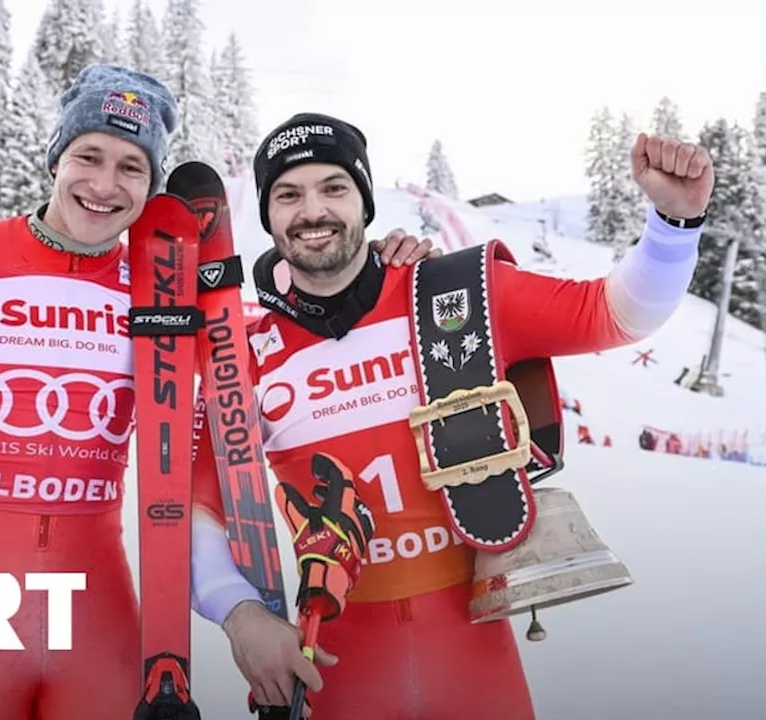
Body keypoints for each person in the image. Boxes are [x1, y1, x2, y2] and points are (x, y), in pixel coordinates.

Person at [0, 65, 433, 719]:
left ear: (151, 187)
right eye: (90, 155)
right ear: (55, 157)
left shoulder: (165, 294)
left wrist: (395, 277)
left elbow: (291, 342)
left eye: (132, 167)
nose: (105, 184)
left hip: (98, 617)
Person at [188, 112, 714, 719]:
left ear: (364, 202)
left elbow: (614, 314)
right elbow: (198, 504)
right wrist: (240, 616)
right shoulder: (243, 354)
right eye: (288, 194)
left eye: (334, 187)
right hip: (334, 660)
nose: (313, 210)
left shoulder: (453, 298)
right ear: (268, 215)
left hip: (471, 658)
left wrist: (674, 225)